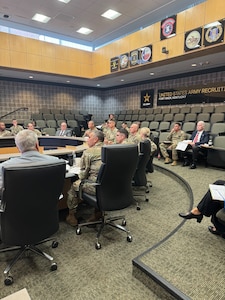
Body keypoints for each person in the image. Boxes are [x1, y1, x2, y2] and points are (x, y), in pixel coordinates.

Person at [66, 130, 104, 226]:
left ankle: (71, 216)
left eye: (89, 137)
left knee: (74, 186)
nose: (87, 140)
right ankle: (98, 213)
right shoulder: (111, 149)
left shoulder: (89, 152)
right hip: (114, 185)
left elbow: (83, 175)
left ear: (95, 140)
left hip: (96, 187)